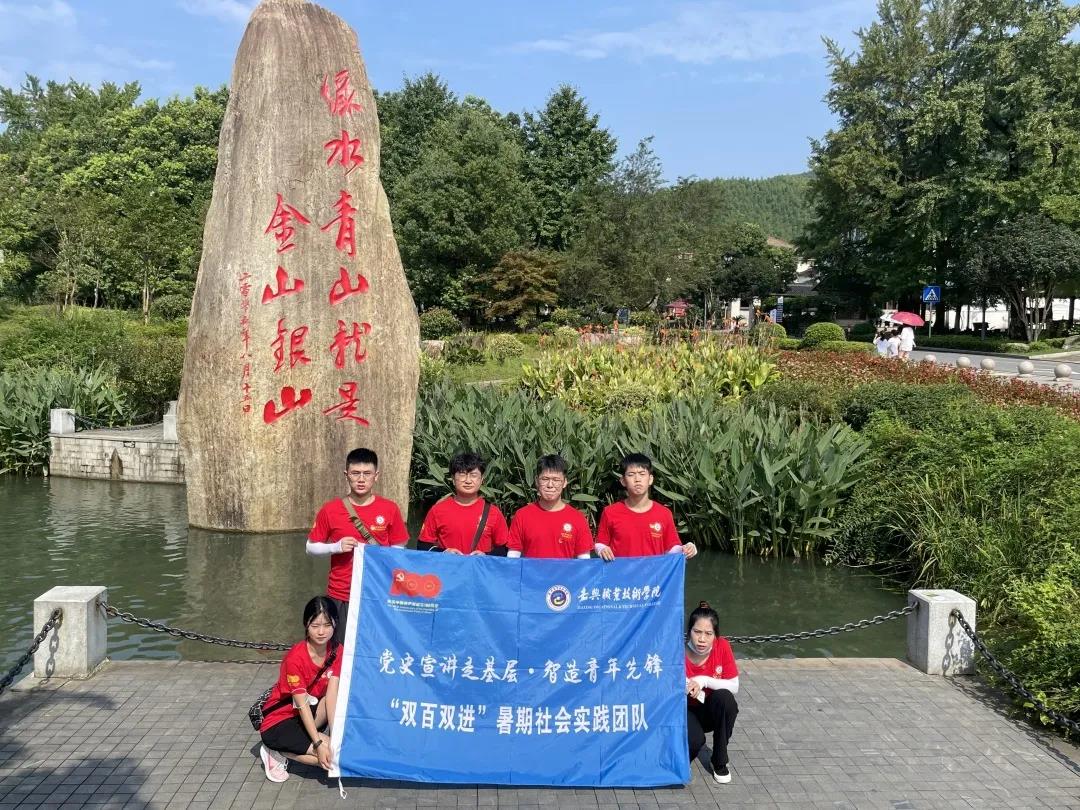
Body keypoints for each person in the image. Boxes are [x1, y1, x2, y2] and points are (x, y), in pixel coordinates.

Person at [306, 447, 408, 644]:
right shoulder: (331, 509)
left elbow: (399, 548)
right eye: (355, 473)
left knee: (377, 646)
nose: (361, 479)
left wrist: (382, 555)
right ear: (346, 475)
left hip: (377, 591)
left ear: (376, 476)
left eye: (367, 473)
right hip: (341, 593)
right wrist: (335, 547)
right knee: (340, 648)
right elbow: (310, 547)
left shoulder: (390, 508)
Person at [258, 596, 342, 783]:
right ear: (306, 625)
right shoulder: (295, 658)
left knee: (339, 751)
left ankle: (306, 743)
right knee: (332, 758)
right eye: (315, 625)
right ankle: (277, 751)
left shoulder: (337, 651)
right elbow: (302, 705)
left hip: (307, 716)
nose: (321, 632)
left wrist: (336, 735)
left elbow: (331, 697)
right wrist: (318, 743)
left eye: (327, 625)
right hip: (279, 722)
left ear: (335, 624)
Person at [594, 453, 697, 560]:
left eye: (642, 474)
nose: (637, 479)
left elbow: (671, 548)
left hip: (654, 571)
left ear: (650, 479)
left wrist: (685, 549)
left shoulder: (664, 513)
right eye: (631, 474)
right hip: (622, 571)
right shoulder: (610, 512)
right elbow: (600, 543)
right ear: (623, 481)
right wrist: (602, 549)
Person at [685, 601, 739, 784]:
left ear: (715, 635)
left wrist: (704, 680)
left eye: (708, 634)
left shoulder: (722, 646)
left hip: (710, 709)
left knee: (726, 699)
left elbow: (734, 685)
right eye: (697, 632)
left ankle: (719, 760)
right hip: (685, 709)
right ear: (689, 631)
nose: (702, 639)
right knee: (694, 741)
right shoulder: (677, 649)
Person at [418, 451, 510, 555]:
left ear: (482, 480)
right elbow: (422, 546)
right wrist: (443, 552)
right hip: (448, 564)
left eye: (473, 475)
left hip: (479, 565)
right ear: (453, 479)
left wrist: (485, 556)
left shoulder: (493, 512)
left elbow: (504, 549)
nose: (468, 481)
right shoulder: (437, 510)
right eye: (462, 475)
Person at [506, 455, 593, 559]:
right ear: (537, 480)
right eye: (545, 479)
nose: (550, 485)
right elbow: (513, 557)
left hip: (565, 571)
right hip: (532, 570)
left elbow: (584, 561)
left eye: (556, 480)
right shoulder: (522, 515)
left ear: (565, 482)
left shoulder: (578, 518)